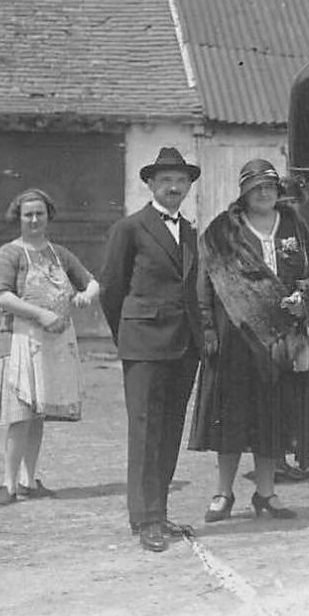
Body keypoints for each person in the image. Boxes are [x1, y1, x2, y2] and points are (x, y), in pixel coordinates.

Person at [191, 159, 309, 522]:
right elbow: (206, 283)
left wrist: (306, 296)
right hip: (236, 337)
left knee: (272, 418)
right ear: (244, 193)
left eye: (269, 186)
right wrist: (208, 329)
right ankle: (223, 493)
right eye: (256, 188)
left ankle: (266, 494)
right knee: (232, 418)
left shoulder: (295, 226)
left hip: (283, 339)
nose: (264, 193)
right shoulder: (223, 231)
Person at [101, 147, 204, 553]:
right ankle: (144, 520)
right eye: (166, 181)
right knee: (145, 432)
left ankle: (158, 512)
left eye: (181, 181)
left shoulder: (192, 231)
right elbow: (111, 289)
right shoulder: (129, 228)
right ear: (150, 184)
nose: (174, 187)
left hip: (183, 346)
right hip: (144, 343)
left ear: (189, 186)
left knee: (169, 430)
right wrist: (127, 335)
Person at [0, 188, 99, 506]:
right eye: (28, 214)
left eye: (40, 213)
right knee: (19, 413)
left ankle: (28, 479)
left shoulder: (59, 254)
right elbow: (1, 296)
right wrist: (41, 314)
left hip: (53, 343)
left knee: (37, 415)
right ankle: (7, 483)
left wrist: (85, 296)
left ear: (48, 216)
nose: (34, 219)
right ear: (18, 218)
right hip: (19, 340)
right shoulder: (8, 254)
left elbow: (91, 281)